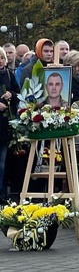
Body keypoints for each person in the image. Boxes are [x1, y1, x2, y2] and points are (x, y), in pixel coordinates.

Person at [0, 49, 20, 203]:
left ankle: (2, 193)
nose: (0, 60)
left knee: (3, 162)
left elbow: (18, 93)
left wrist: (11, 95)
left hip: (5, 125)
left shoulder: (9, 74)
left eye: (2, 57)